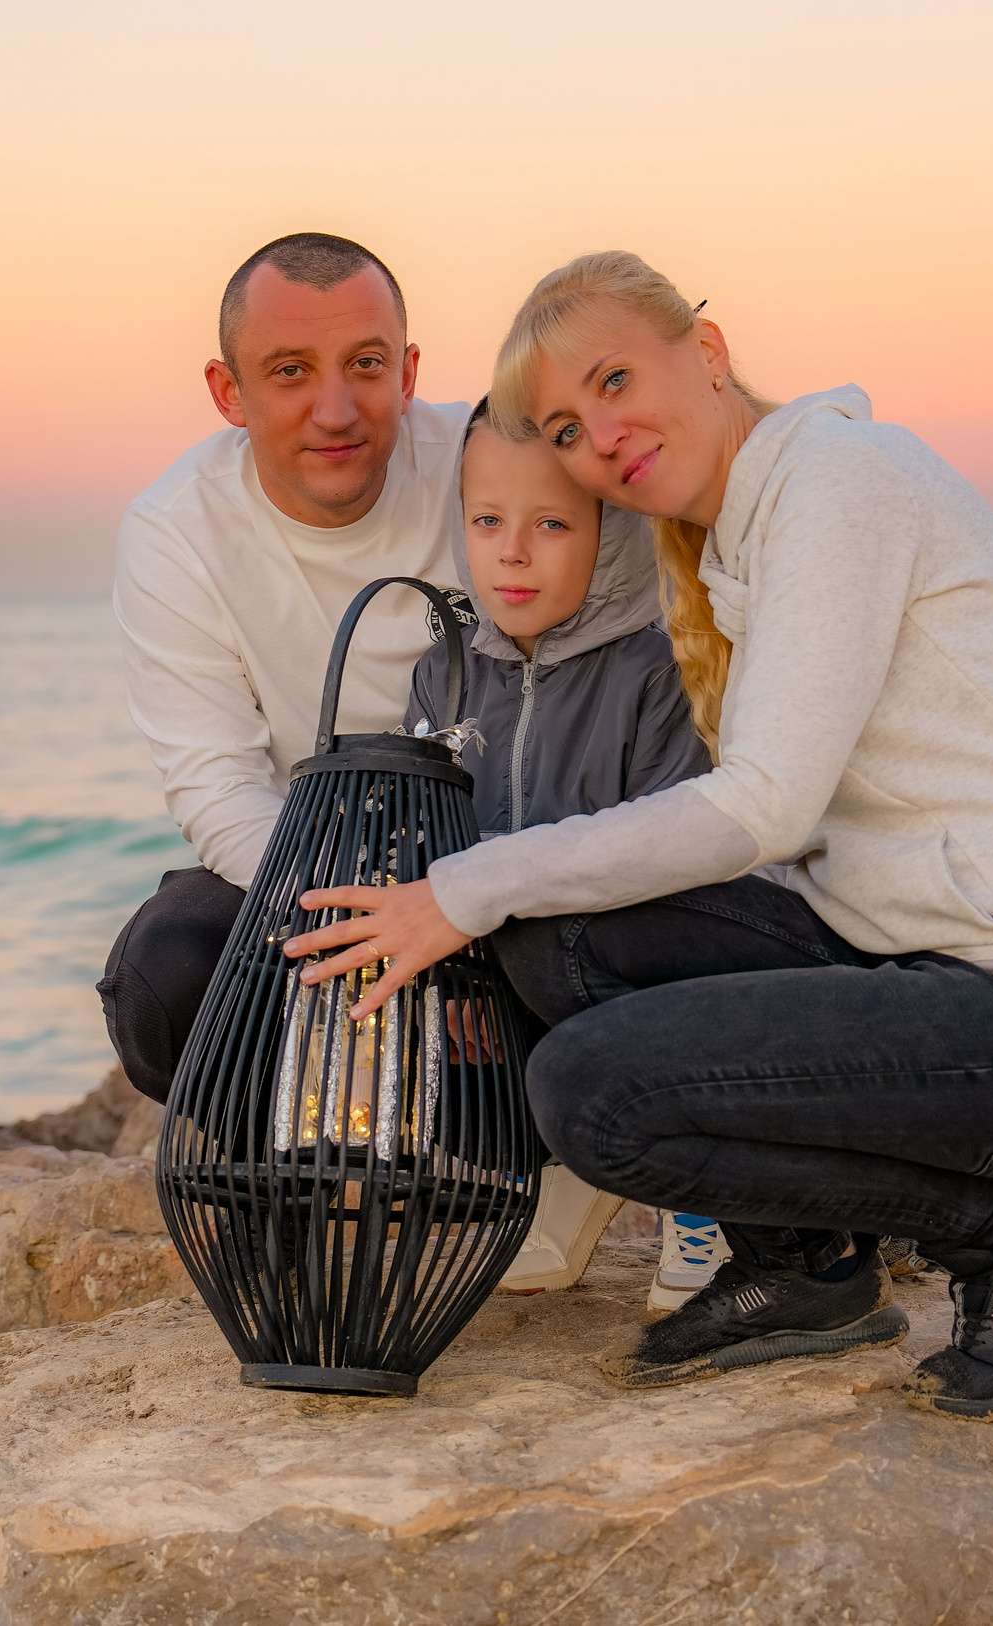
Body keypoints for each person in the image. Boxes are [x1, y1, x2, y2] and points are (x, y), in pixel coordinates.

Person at [285, 252, 993, 1419]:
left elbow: (761, 806)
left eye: (614, 380)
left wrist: (471, 884)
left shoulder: (841, 481)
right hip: (920, 967)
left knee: (591, 1093)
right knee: (557, 947)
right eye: (567, 422)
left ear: (704, 352)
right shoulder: (733, 543)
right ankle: (807, 1269)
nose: (599, 435)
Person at [103, 233, 467, 1105]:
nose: (335, 410)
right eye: (291, 370)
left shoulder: (493, 467)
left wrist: (467, 905)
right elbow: (216, 787)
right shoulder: (177, 530)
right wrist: (365, 923)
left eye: (366, 364)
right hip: (305, 859)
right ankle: (290, 1185)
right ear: (229, 392)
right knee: (168, 975)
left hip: (499, 849)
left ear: (409, 372)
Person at [405, 402, 716, 1310]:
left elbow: (685, 866)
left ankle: (698, 1192)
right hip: (498, 979)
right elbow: (428, 838)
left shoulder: (658, 668)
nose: (512, 552)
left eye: (551, 524)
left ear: (611, 528)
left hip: (630, 973)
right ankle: (556, 1169)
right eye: (487, 521)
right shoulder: (445, 671)